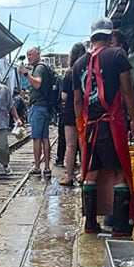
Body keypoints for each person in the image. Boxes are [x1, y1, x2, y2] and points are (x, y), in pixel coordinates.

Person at [72, 18, 134, 237]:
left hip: (91, 126)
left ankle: (91, 224)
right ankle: (120, 227)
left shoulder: (78, 65)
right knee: (120, 172)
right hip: (113, 124)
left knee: (91, 173)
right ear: (109, 34)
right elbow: (126, 90)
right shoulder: (117, 55)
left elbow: (77, 101)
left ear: (92, 36)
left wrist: (80, 127)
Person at [18, 46, 55, 177]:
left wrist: (25, 73)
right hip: (45, 107)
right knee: (45, 138)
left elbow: (37, 84)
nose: (29, 57)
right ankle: (46, 167)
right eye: (28, 55)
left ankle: (38, 167)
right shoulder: (44, 68)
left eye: (31, 54)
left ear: (38, 55)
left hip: (38, 108)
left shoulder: (39, 68)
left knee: (37, 138)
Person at [58, 42, 87, 186]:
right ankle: (84, 175)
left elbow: (64, 96)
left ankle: (69, 176)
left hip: (70, 112)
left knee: (70, 145)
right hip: (84, 112)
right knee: (83, 144)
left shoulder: (69, 73)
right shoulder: (86, 71)